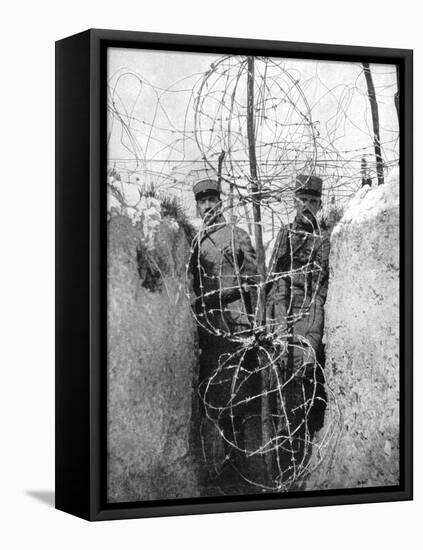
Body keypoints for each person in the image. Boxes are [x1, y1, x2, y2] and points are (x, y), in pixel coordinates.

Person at [189, 178, 259, 492]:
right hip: (209, 329)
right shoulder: (195, 243)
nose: (207, 206)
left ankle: (238, 465)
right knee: (214, 396)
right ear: (197, 206)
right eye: (202, 201)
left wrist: (253, 325)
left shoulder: (238, 235)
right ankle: (220, 462)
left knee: (238, 396)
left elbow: (255, 281)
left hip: (236, 325)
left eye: (211, 200)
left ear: (221, 202)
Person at [266, 174, 330, 483]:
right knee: (281, 387)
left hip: (309, 319)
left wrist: (311, 337)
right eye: (302, 200)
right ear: (295, 201)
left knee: (303, 389)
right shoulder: (285, 234)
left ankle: (297, 461)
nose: (307, 207)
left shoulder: (325, 238)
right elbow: (276, 280)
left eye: (313, 202)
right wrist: (278, 325)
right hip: (284, 316)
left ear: (320, 205)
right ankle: (281, 461)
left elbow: (321, 290)